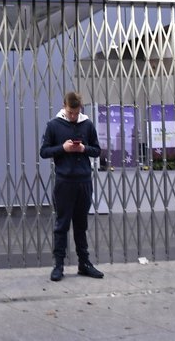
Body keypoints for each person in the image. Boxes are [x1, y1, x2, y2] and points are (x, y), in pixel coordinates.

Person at [39, 91, 104, 282]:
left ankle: (84, 263)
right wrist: (63, 148)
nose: (74, 117)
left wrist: (84, 149)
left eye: (76, 113)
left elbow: (97, 150)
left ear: (80, 108)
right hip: (64, 182)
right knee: (62, 224)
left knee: (81, 224)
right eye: (70, 113)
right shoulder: (54, 125)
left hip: (84, 181)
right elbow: (44, 151)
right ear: (64, 107)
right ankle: (58, 265)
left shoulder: (88, 124)